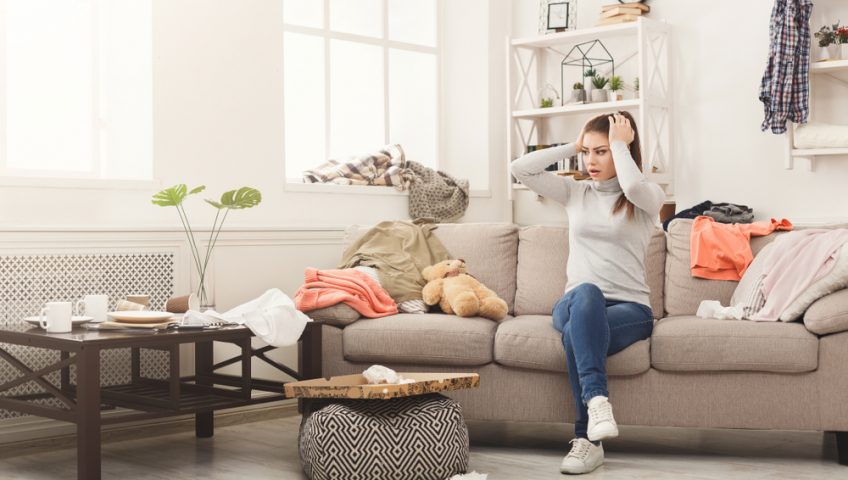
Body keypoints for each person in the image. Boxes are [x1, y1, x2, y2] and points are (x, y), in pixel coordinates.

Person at [510, 112, 664, 474]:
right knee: (587, 295)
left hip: (630, 310)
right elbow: (520, 168)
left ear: (623, 151)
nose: (590, 161)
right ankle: (597, 402)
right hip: (575, 301)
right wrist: (571, 144)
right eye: (586, 152)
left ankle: (586, 441)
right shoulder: (574, 192)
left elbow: (634, 187)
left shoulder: (647, 198)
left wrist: (620, 146)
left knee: (578, 336)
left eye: (602, 152)